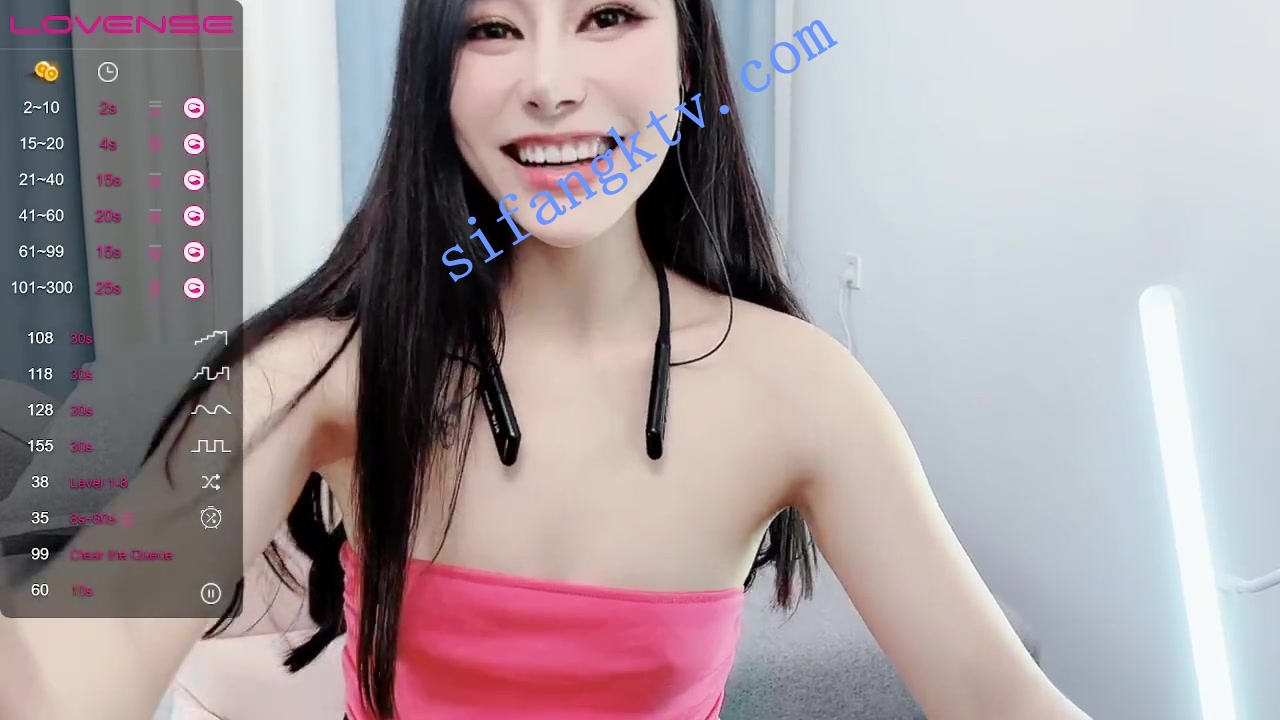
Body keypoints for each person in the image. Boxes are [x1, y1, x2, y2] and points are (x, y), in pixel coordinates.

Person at [1, 1, 1092, 718]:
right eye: (492, 27)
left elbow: (998, 696)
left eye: (607, 15)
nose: (550, 83)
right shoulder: (331, 372)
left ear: (687, 48)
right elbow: (82, 659)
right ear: (434, 74)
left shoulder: (799, 393)